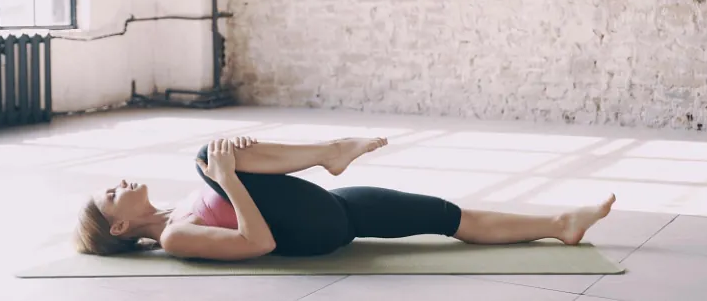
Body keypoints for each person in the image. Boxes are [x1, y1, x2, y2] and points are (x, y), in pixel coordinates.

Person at [74, 136, 616, 260]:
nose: (118, 183)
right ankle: (329, 150)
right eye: (110, 195)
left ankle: (559, 222)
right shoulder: (175, 235)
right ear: (119, 228)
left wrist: (228, 169)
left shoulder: (179, 208)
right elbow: (257, 242)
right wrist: (227, 176)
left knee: (449, 217)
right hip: (313, 232)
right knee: (206, 157)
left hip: (335, 206)